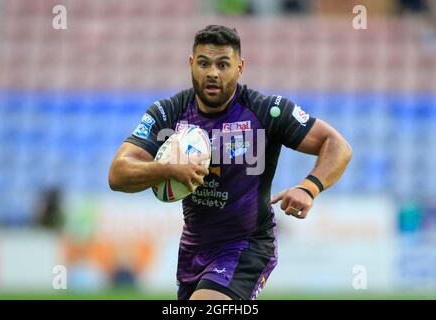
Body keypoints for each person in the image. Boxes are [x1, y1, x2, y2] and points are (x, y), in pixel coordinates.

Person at [108, 25, 352, 300]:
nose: (212, 72)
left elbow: (337, 145)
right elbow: (118, 174)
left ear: (240, 67)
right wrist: (167, 168)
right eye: (204, 63)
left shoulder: (266, 110)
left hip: (247, 245)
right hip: (193, 249)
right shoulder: (169, 112)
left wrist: (309, 187)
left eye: (223, 64)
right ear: (191, 64)